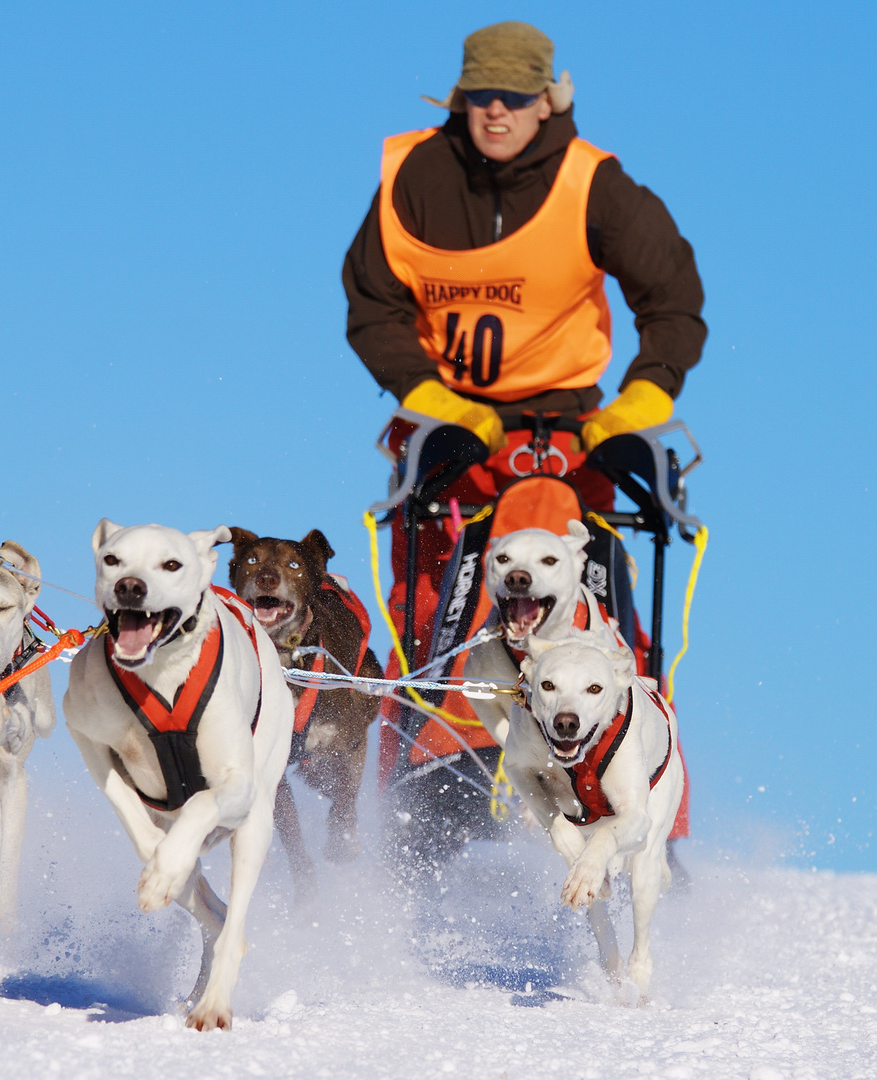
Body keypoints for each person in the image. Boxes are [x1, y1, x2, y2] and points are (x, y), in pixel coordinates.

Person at [342, 21, 704, 863]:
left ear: (549, 101)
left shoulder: (596, 186)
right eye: (481, 97)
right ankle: (437, 789)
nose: (496, 113)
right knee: (428, 612)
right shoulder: (415, 177)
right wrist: (436, 402)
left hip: (569, 436)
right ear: (460, 99)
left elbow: (673, 295)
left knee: (596, 608)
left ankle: (639, 806)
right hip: (448, 427)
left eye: (515, 98)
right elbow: (373, 305)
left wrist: (635, 406)